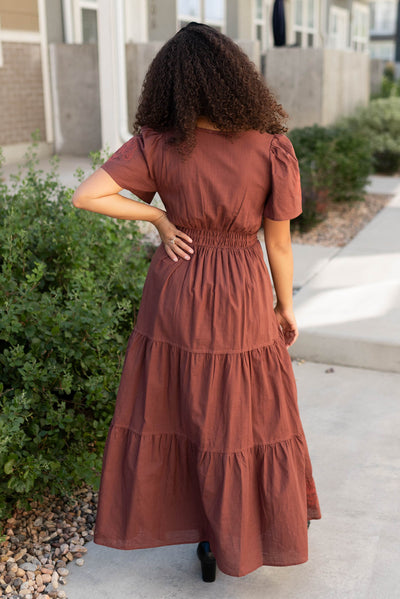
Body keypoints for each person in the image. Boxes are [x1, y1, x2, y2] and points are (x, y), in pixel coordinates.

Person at [72, 21, 321, 582]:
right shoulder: (270, 148)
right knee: (241, 413)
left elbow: (86, 195)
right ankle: (239, 534)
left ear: (171, 85)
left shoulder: (158, 144)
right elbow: (278, 243)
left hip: (177, 287)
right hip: (242, 291)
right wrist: (285, 307)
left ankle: (203, 533)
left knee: (182, 409)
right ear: (235, 78)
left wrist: (159, 216)